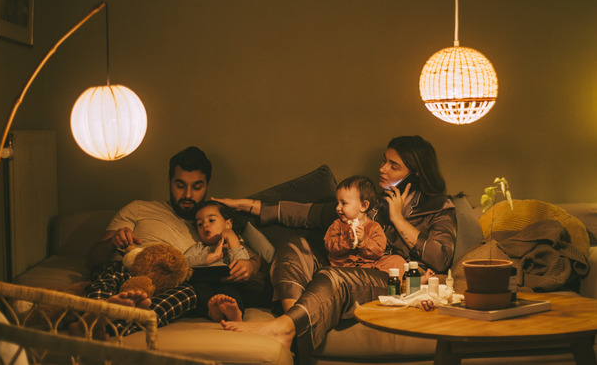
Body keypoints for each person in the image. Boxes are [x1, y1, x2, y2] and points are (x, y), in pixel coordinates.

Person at [213, 135, 456, 353]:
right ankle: (291, 324)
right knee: (292, 246)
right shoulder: (369, 202)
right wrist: (246, 205)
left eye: (394, 166)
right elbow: (305, 213)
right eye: (384, 160)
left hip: (392, 277)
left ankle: (285, 328)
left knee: (334, 276)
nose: (382, 169)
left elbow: (441, 258)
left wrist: (398, 218)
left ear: (416, 175)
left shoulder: (439, 206)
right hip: (350, 266)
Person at [78, 147, 262, 335]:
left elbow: (253, 258)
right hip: (128, 271)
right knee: (109, 272)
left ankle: (110, 329)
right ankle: (92, 317)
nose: (188, 195)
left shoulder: (213, 224)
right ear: (169, 181)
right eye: (180, 185)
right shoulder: (139, 208)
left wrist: (251, 266)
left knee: (188, 293)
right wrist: (113, 243)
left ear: (207, 185)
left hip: (168, 288)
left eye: (197, 187)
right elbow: (92, 260)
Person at [185, 200, 258, 322]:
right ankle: (212, 312)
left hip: (229, 282)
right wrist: (210, 258)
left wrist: (231, 238)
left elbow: (241, 264)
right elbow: (183, 263)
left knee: (231, 292)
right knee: (200, 289)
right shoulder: (199, 248)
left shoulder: (235, 246)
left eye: (211, 220)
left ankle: (236, 312)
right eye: (199, 224)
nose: (205, 225)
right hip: (204, 280)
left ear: (228, 224)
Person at [324, 175, 405, 276]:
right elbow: (330, 245)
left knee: (397, 261)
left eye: (343, 203)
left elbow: (379, 251)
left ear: (363, 206)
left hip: (370, 268)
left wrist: (364, 241)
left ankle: (413, 282)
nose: (338, 208)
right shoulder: (338, 225)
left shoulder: (374, 227)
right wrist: (347, 241)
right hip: (344, 268)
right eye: (338, 203)